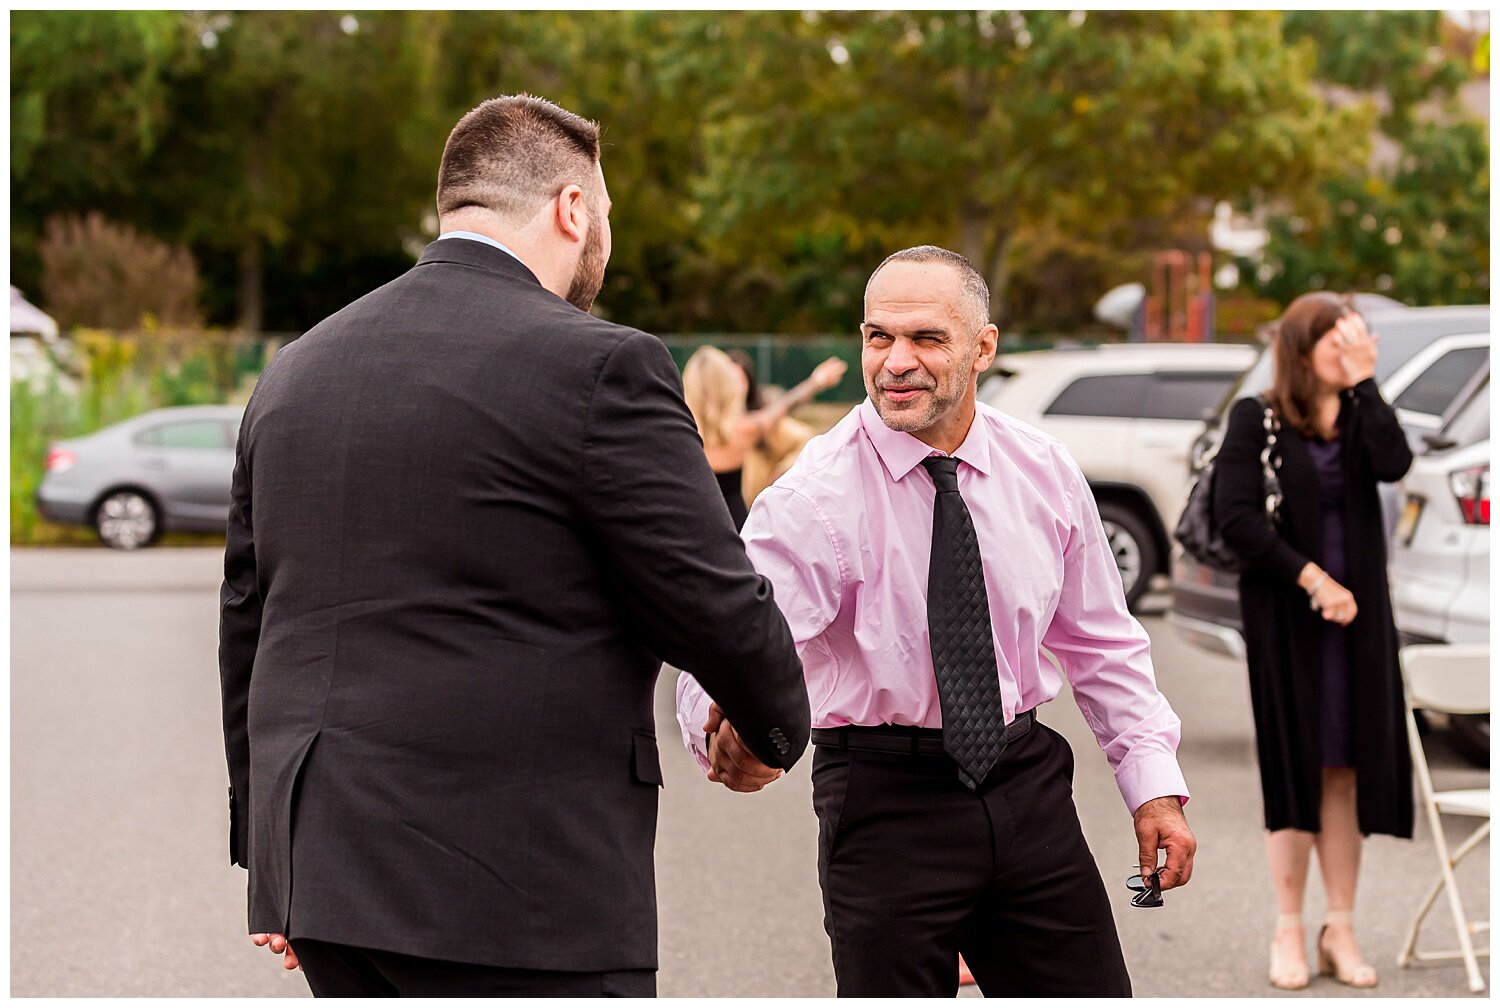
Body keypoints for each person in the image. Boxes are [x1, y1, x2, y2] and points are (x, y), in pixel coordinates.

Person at [219, 94, 810, 997]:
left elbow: (250, 624)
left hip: (325, 882)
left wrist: (274, 860)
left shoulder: (296, 370)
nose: (605, 236)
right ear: (573, 209)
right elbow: (713, 599)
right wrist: (768, 728)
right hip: (521, 891)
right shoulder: (602, 366)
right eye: (606, 213)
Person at [676, 246, 1197, 997]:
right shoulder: (813, 498)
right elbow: (726, 640)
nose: (896, 361)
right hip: (885, 802)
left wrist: (1153, 787)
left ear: (984, 348)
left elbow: (1102, 644)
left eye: (926, 339)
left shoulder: (1044, 471)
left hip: (1028, 788)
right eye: (878, 336)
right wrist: (719, 731)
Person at [1213, 293, 1413, 991]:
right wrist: (1313, 580)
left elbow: (1395, 464)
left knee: (1346, 770)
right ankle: (1289, 927)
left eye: (1359, 340)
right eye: (1339, 341)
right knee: (1293, 764)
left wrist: (1365, 382)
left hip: (1359, 622)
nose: (1353, 349)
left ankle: (1342, 928)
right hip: (1290, 618)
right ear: (1302, 350)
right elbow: (1234, 518)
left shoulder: (1362, 415)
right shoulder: (1258, 417)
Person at [681, 345, 845, 529]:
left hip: (693, 526)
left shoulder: (680, 437)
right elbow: (785, 405)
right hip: (735, 526)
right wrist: (816, 381)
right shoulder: (743, 430)